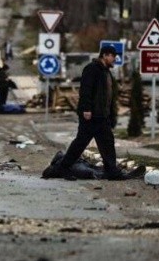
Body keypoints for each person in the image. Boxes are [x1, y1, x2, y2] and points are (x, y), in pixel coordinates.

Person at [42, 45, 128, 181]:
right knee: (80, 143)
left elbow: (108, 96)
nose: (114, 60)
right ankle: (62, 168)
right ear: (105, 55)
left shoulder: (106, 72)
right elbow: (86, 91)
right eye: (113, 57)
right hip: (92, 115)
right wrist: (86, 109)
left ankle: (112, 171)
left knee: (107, 142)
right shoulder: (92, 69)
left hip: (102, 116)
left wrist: (110, 114)